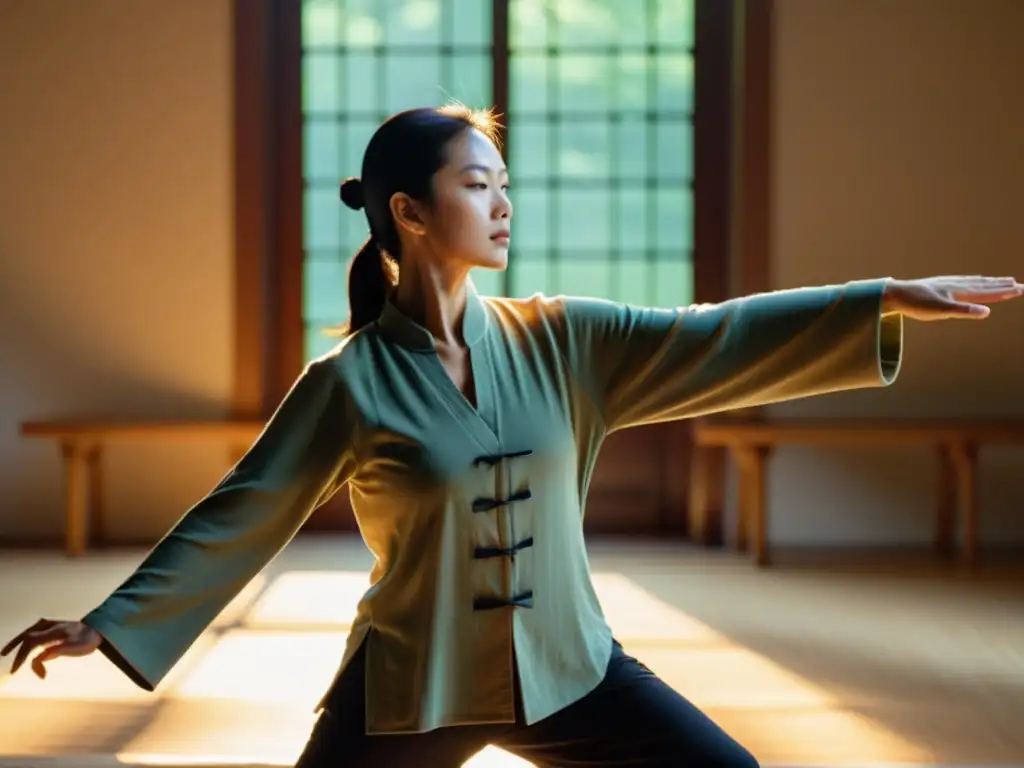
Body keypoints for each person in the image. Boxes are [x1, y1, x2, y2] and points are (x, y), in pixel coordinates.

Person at [2, 103, 1021, 768]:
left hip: (569, 663)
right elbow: (248, 508)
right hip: (413, 680)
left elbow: (712, 335)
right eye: (475, 183)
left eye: (501, 180)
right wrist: (116, 621)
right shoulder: (349, 384)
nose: (502, 202)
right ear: (406, 211)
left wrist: (881, 297)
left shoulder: (565, 339)